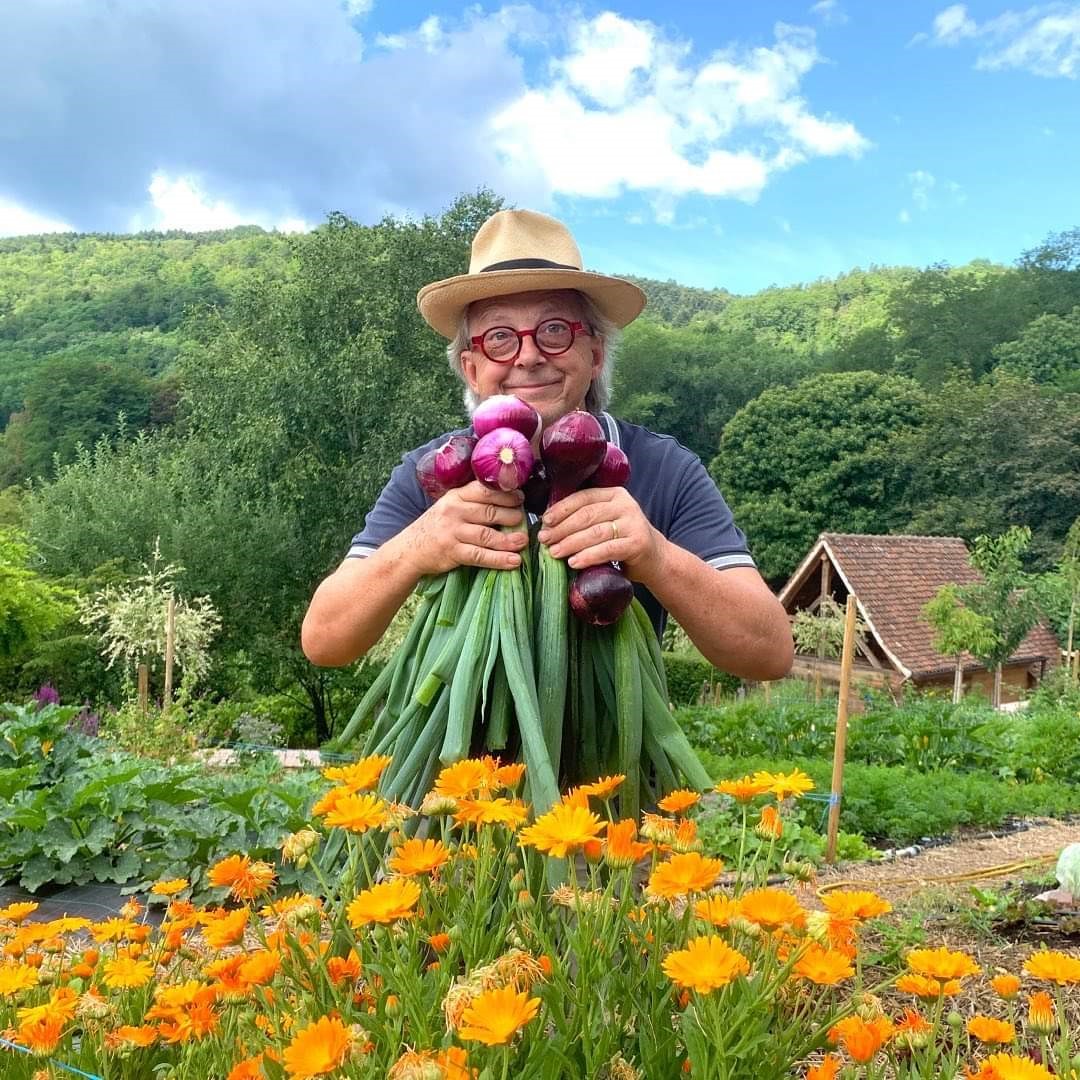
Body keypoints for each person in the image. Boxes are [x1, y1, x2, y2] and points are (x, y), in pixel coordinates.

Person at [301, 209, 793, 681]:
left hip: (613, 768)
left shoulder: (664, 468)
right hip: (464, 768)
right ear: (471, 369)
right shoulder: (435, 472)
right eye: (499, 337)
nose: (530, 355)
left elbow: (769, 654)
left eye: (555, 330)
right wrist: (417, 546)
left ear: (595, 354)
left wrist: (656, 558)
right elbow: (325, 641)